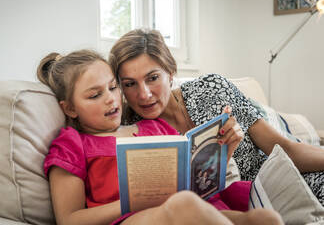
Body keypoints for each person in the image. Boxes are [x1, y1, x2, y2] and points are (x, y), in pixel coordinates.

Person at [37, 49, 283, 225]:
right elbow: (69, 219)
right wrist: (135, 202)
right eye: (94, 95)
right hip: (131, 217)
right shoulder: (72, 143)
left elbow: (196, 182)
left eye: (113, 87)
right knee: (184, 205)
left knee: (266, 217)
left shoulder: (154, 127)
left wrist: (223, 150)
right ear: (69, 108)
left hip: (192, 208)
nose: (111, 98)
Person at [108, 28, 324, 207]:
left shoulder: (211, 88)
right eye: (130, 84)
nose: (144, 94)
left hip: (283, 178)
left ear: (170, 72)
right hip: (235, 207)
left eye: (153, 78)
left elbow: (283, 148)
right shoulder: (132, 132)